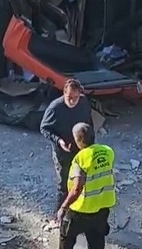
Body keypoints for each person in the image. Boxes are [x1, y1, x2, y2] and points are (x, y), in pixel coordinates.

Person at [56, 122, 116, 249]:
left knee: (66, 236)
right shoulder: (108, 151)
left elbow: (77, 188)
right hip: (102, 208)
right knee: (97, 240)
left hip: (81, 210)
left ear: (78, 140)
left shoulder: (80, 159)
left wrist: (63, 207)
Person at [40, 79, 93, 212]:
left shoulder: (84, 102)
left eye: (75, 98)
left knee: (81, 180)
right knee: (64, 184)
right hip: (63, 152)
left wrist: (90, 143)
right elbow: (44, 128)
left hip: (81, 149)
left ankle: (77, 211)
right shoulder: (55, 108)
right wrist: (59, 141)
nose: (72, 101)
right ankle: (60, 215)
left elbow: (88, 122)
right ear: (64, 93)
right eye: (69, 97)